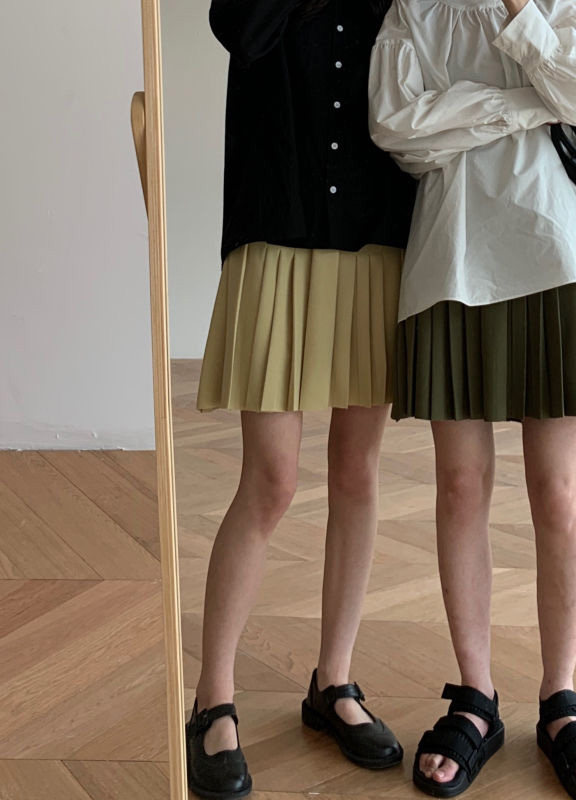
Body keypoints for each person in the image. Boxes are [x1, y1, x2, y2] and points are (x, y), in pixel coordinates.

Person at [369, 0, 576, 797]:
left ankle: (562, 697)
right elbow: (398, 131)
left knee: (558, 490)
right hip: (451, 258)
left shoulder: (550, 4)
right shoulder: (413, 11)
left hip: (556, 253)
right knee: (459, 486)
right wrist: (525, 103)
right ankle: (475, 695)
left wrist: (517, 27)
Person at [184, 1, 417, 797]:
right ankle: (212, 697)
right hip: (276, 221)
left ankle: (334, 682)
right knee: (272, 480)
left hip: (376, 229)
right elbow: (243, 29)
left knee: (357, 471)